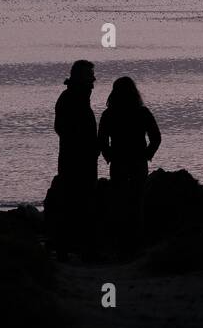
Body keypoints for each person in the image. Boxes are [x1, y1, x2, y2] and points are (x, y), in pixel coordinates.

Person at [49, 59, 100, 257]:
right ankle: (75, 248)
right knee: (76, 201)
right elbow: (62, 128)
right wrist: (85, 144)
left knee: (78, 201)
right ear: (80, 77)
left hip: (80, 158)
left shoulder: (76, 97)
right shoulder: (71, 98)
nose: (93, 79)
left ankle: (74, 247)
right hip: (76, 160)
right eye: (89, 75)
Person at [98, 76, 162, 187]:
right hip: (138, 160)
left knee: (120, 195)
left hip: (118, 161)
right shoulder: (143, 112)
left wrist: (109, 155)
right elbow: (156, 137)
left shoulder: (108, 114)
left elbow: (102, 140)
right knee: (138, 195)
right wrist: (147, 154)